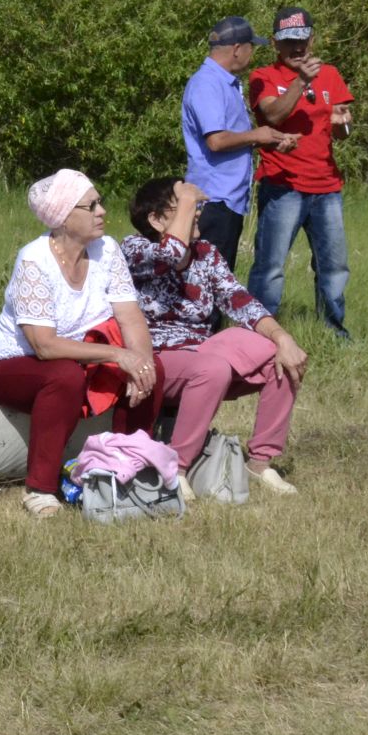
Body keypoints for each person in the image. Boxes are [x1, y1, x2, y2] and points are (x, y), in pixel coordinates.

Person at [0, 170, 163, 517]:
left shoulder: (107, 249)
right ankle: (40, 489)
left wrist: (140, 361)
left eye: (101, 202)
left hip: (76, 355)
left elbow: (130, 317)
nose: (102, 211)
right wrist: (117, 354)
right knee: (64, 377)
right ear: (63, 218)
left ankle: (127, 465)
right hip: (11, 363)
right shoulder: (34, 260)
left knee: (152, 367)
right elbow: (45, 346)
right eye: (91, 205)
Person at [123, 177, 307, 496]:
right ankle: (176, 468)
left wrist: (282, 337)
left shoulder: (206, 252)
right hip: (156, 356)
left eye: (196, 205)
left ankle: (260, 463)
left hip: (203, 350)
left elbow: (238, 299)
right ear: (155, 219)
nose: (195, 213)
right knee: (211, 368)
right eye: (183, 206)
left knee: (278, 356)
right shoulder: (135, 248)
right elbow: (170, 255)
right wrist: (187, 199)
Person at [247, 7, 354, 339]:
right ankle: (262, 335)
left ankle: (333, 331)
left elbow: (343, 130)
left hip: (326, 185)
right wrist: (301, 81)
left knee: (333, 266)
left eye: (302, 40)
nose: (297, 48)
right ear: (276, 45)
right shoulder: (263, 76)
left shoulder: (331, 75)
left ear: (312, 37)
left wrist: (344, 125)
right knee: (271, 267)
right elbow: (273, 117)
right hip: (283, 185)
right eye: (289, 42)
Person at [181, 15, 298, 272]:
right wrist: (257, 136)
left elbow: (231, 138)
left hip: (227, 198)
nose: (251, 54)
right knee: (208, 282)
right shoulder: (207, 84)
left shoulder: (226, 83)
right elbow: (216, 140)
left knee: (219, 279)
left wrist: (269, 140)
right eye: (250, 47)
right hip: (214, 200)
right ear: (236, 49)